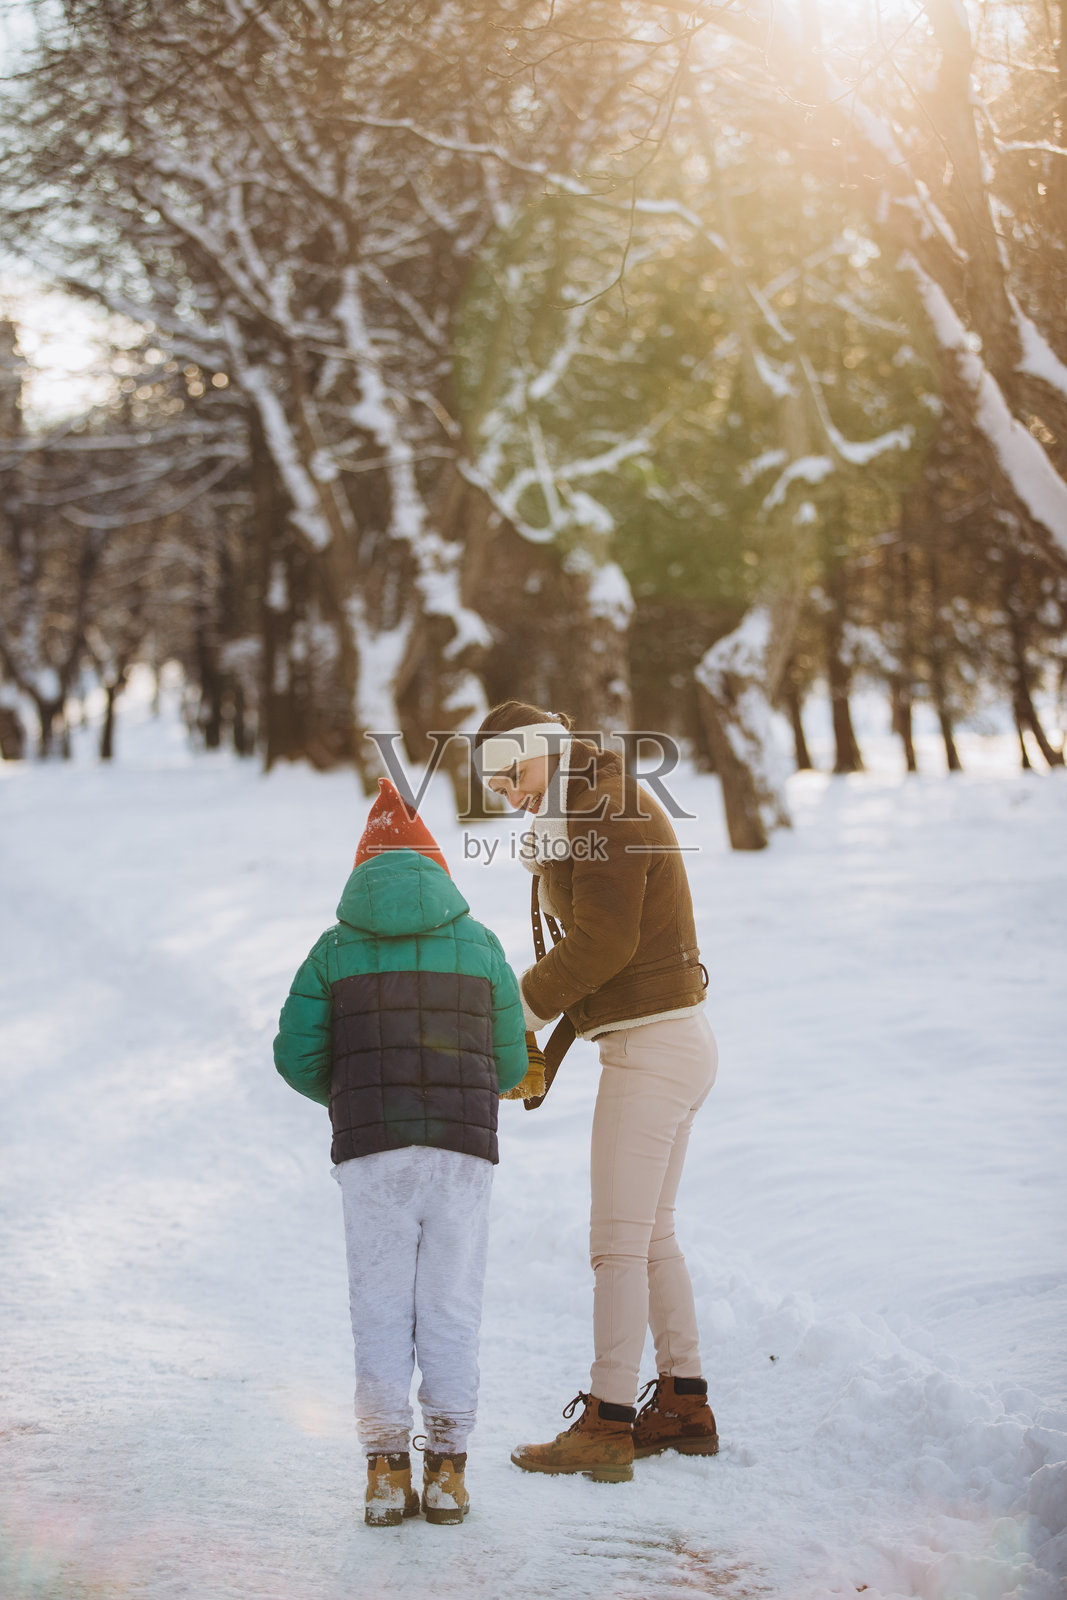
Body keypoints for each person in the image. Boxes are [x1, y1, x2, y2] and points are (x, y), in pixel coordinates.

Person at [273, 778, 529, 1526]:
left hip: (372, 1156)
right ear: (436, 867)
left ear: (362, 869)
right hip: (460, 1155)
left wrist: (354, 1097)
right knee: (450, 1306)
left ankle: (385, 1475)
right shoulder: (480, 945)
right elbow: (509, 1067)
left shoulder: (332, 947)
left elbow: (294, 1057)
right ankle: (447, 1473)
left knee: (380, 1309)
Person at [475, 701, 719, 1485]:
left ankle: (606, 1425)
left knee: (615, 1244)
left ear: (545, 752)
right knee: (650, 1238)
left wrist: (519, 1011)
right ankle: (684, 1406)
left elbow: (604, 943)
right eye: (495, 784)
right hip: (666, 1040)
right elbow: (602, 937)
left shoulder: (605, 807)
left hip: (652, 1049)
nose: (507, 794)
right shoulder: (588, 801)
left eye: (514, 773)